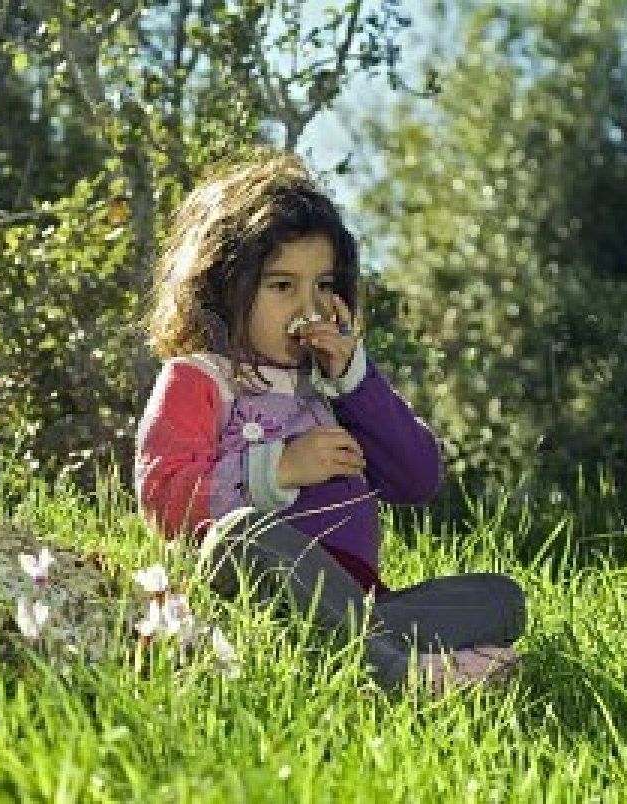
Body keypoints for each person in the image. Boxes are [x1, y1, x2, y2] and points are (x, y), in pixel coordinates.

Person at [133, 150, 525, 693]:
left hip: (359, 602)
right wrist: (278, 469)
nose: (308, 307)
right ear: (223, 288)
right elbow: (163, 495)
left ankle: (358, 651)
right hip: (253, 588)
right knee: (239, 538)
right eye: (282, 286)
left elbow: (417, 479)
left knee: (501, 599)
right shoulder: (199, 378)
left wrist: (356, 379)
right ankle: (400, 671)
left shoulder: (332, 384)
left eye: (323, 285)